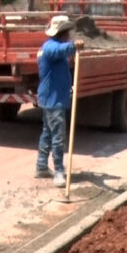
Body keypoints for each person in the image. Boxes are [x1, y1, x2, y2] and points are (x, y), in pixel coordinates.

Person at [35, 15, 85, 187]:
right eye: (68, 33)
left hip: (51, 97)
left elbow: (62, 55)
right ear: (62, 33)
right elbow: (59, 51)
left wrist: (71, 49)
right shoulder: (50, 48)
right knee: (58, 136)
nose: (70, 36)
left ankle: (41, 166)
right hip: (53, 99)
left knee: (48, 133)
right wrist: (73, 46)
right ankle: (59, 171)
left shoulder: (49, 47)